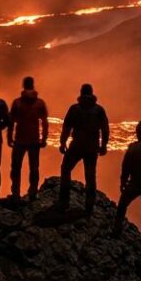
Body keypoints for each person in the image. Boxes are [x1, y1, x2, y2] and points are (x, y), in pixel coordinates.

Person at [57, 83, 109, 215]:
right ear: (92, 93)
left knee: (65, 169)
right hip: (92, 147)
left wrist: (62, 143)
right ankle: (89, 206)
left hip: (77, 145)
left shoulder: (75, 109)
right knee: (90, 176)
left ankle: (64, 201)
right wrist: (103, 145)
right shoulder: (99, 110)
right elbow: (105, 129)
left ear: (81, 93)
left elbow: (67, 127)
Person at [7, 76, 48, 201]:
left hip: (20, 139)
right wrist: (44, 138)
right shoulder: (40, 103)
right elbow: (44, 122)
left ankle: (15, 193)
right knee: (34, 167)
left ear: (23, 86)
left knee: (15, 167)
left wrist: (9, 137)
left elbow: (11, 121)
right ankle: (33, 192)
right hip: (34, 140)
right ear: (33, 85)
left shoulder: (17, 102)